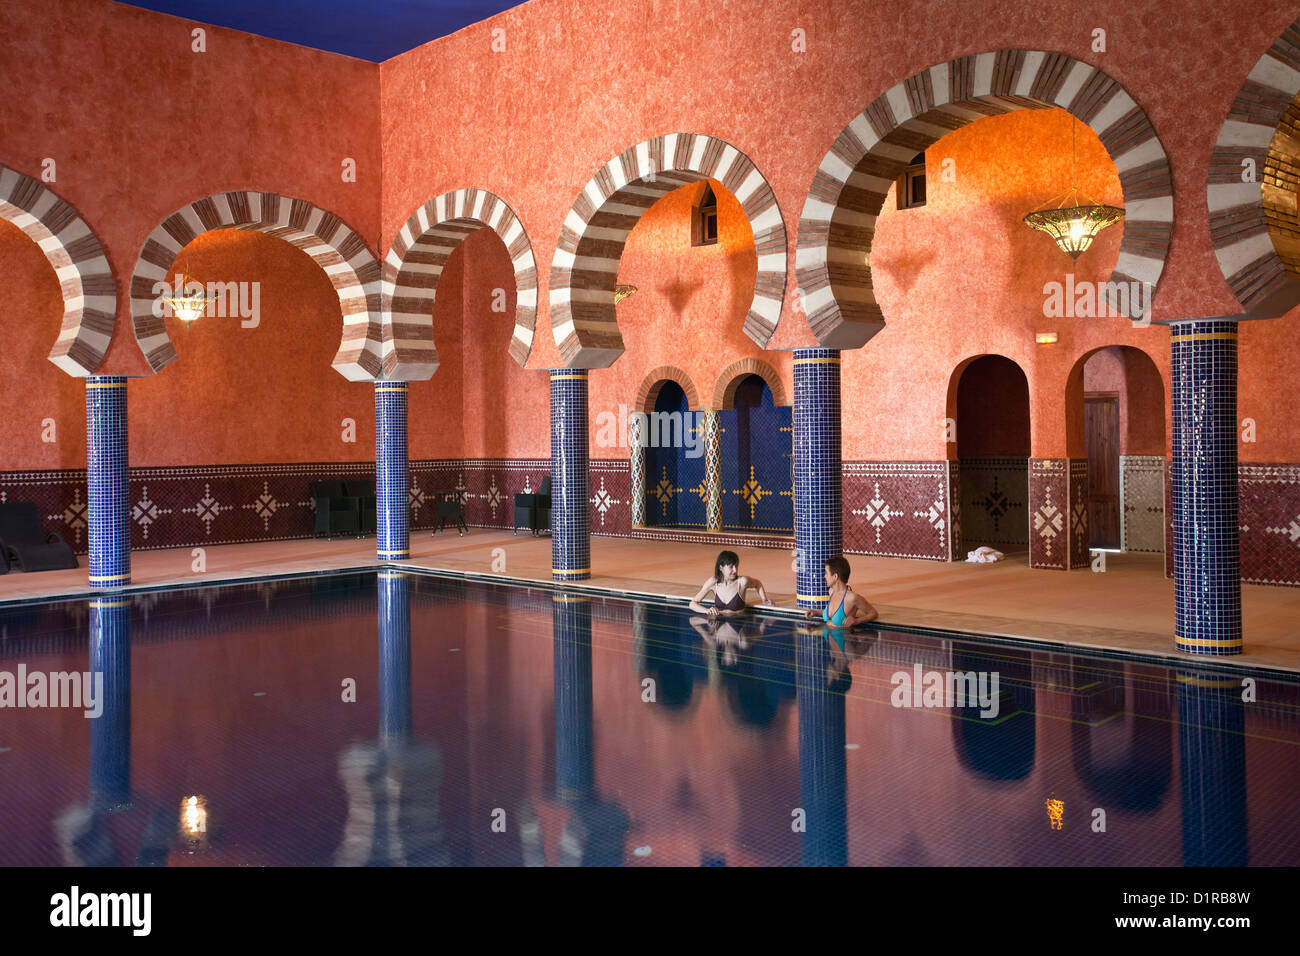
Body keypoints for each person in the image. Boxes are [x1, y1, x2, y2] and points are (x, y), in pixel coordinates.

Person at [688, 550, 771, 617]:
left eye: (736, 566)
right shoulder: (713, 582)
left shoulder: (742, 582)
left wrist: (764, 600)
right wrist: (706, 610)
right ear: (721, 568)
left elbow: (757, 583)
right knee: (694, 621)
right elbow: (692, 604)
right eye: (731, 567)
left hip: (738, 622)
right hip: (718, 623)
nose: (735, 570)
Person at [805, 555, 878, 627]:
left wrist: (856, 621)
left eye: (826, 573)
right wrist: (816, 612)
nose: (825, 576)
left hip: (843, 636)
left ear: (835, 576)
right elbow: (831, 612)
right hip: (827, 636)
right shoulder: (831, 592)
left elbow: (873, 613)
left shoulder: (852, 598)